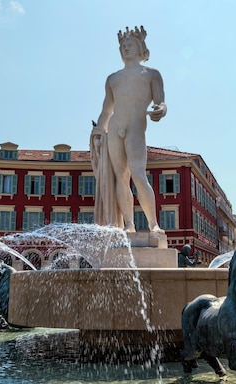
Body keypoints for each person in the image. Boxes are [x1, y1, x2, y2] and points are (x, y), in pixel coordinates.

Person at [91, 26, 167, 233]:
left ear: (140, 47)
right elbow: (106, 111)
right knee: (120, 176)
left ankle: (153, 224)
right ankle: (128, 225)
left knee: (138, 174)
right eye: (123, 46)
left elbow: (161, 102)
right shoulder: (112, 79)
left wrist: (160, 109)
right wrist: (98, 132)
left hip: (135, 126)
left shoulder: (151, 74)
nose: (126, 48)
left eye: (130, 44)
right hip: (115, 127)